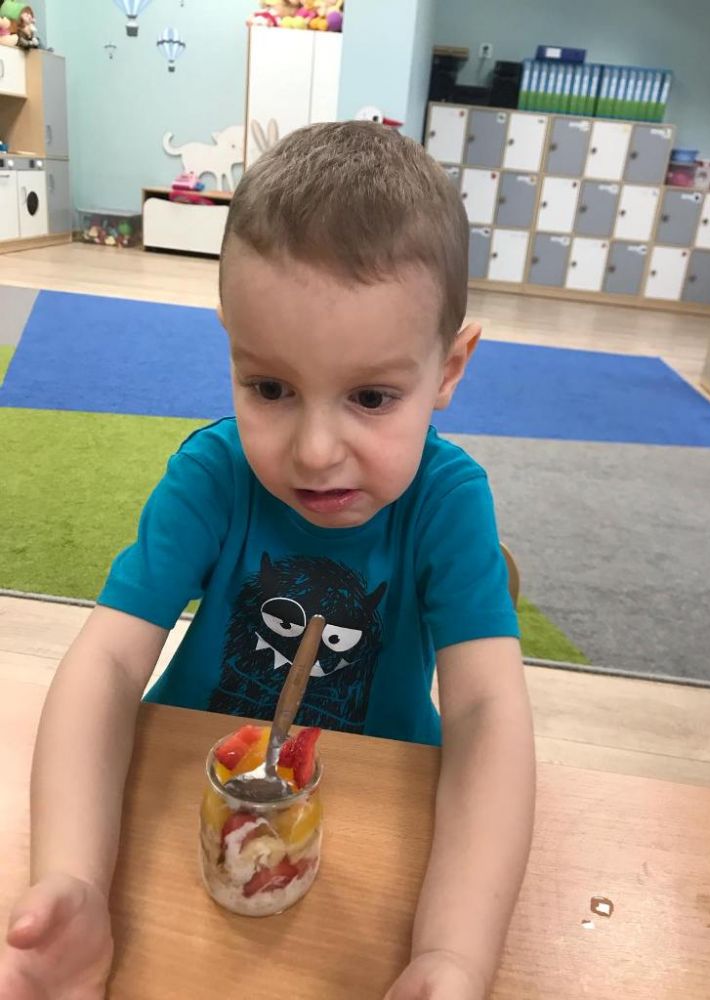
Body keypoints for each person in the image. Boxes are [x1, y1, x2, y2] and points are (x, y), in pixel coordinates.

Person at [0, 121, 535, 1000]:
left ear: (449, 369)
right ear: (232, 345)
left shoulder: (448, 505)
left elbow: (487, 716)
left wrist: (454, 956)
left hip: (369, 828)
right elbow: (106, 664)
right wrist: (73, 878)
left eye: (371, 397)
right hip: (182, 816)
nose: (315, 452)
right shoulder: (212, 478)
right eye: (271, 387)